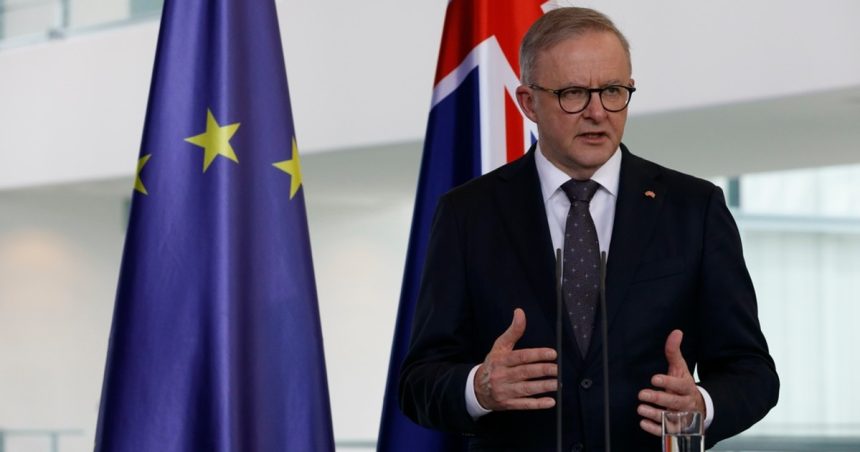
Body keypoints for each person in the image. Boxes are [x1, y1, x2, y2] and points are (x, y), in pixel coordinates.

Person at [398, 6, 779, 451]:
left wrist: (703, 406)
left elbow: (752, 372)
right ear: (528, 102)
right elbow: (418, 381)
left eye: (614, 91)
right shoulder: (468, 213)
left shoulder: (694, 209)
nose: (598, 112)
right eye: (574, 93)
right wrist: (478, 388)